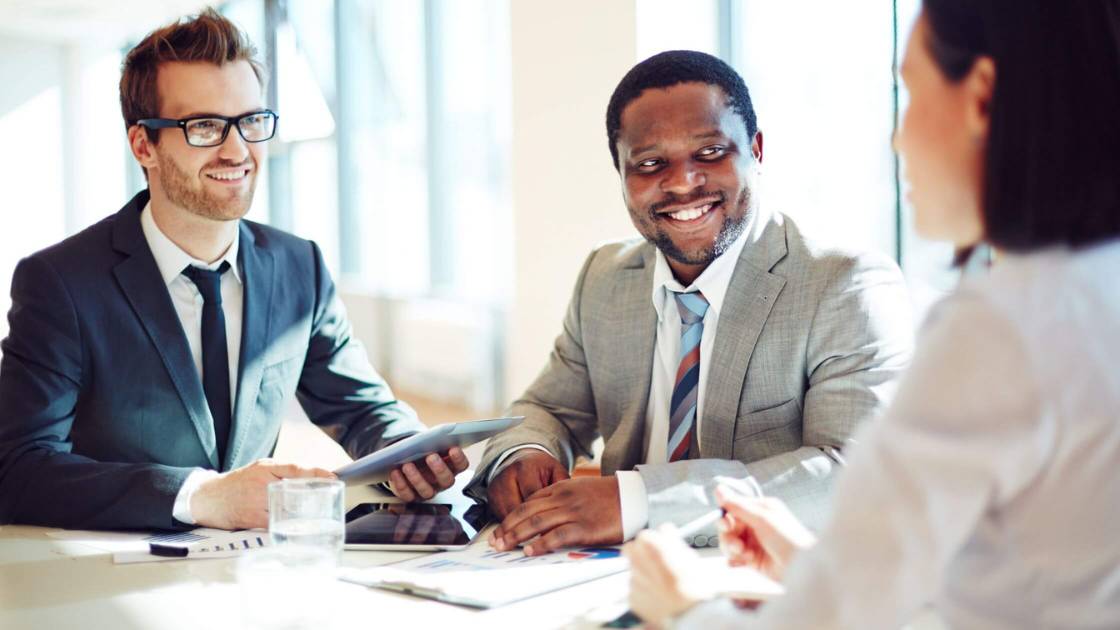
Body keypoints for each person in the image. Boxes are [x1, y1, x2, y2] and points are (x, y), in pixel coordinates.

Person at [624, 1, 1120, 627]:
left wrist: (690, 605)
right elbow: (1020, 583)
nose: (898, 137)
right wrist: (816, 571)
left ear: (982, 100)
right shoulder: (1093, 294)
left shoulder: (999, 331)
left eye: (909, 95)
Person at [0, 9, 467, 532]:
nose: (237, 149)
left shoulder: (299, 266)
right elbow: (19, 471)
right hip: (111, 582)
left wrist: (407, 447)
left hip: (250, 576)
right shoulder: (60, 283)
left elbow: (361, 407)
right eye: (204, 125)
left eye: (250, 120)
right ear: (142, 145)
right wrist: (204, 497)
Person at [472, 50, 914, 557]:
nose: (683, 183)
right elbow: (546, 408)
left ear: (756, 149)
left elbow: (852, 476)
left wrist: (636, 502)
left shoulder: (844, 285)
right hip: (608, 577)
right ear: (620, 173)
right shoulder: (605, 278)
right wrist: (525, 452)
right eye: (650, 164)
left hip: (766, 585)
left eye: (709, 153)